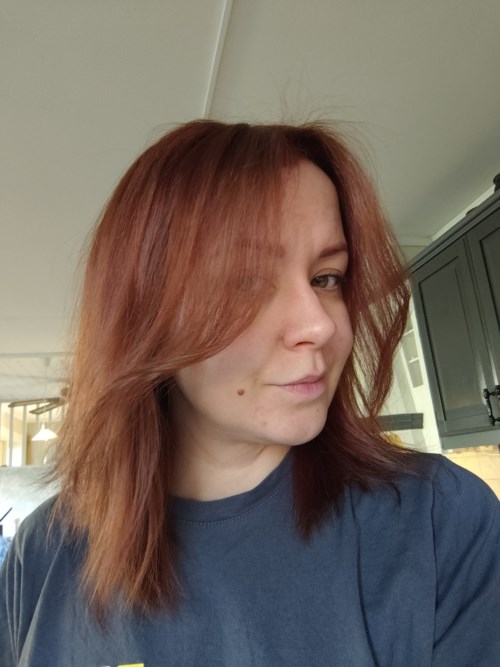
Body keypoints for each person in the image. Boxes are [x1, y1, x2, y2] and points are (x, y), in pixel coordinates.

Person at [1, 120, 498, 666]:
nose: (320, 324)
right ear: (145, 314)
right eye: (246, 282)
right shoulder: (40, 554)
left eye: (327, 278)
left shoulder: (438, 523)